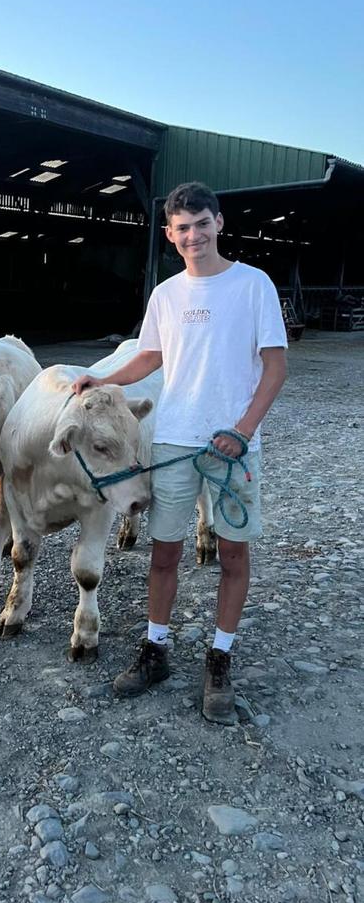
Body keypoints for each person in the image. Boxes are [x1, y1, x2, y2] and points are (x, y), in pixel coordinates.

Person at [73, 181, 287, 724]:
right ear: (171, 235)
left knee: (233, 555)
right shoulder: (166, 294)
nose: (194, 235)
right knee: (164, 552)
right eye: (182, 228)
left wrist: (241, 429)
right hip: (175, 438)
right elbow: (150, 357)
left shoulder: (253, 285)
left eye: (201, 223)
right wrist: (102, 380)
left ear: (219, 223)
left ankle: (219, 656)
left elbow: (275, 367)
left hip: (234, 447)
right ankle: (156, 649)